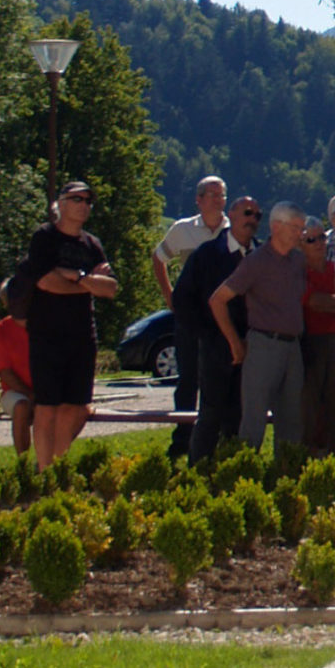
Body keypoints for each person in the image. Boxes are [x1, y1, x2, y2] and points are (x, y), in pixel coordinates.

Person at [26, 181, 118, 468]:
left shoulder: (92, 244)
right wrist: (90, 283)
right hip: (47, 335)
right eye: (77, 198)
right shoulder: (44, 238)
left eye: (88, 201)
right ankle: (44, 473)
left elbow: (111, 288)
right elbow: (46, 282)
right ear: (61, 203)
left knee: (76, 407)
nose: (84, 205)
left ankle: (58, 467)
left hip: (82, 336)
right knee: (46, 408)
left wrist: (76, 277)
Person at [209, 201, 308, 451]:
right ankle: (244, 474)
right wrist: (235, 343)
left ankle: (285, 477)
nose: (300, 234)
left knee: (292, 419)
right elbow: (218, 300)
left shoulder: (298, 261)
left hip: (293, 345)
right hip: (264, 344)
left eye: (302, 228)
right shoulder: (256, 261)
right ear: (276, 227)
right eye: (295, 228)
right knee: (254, 418)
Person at [174, 196, 260, 463]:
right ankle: (199, 470)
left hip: (254, 347)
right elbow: (182, 300)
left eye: (258, 215)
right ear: (231, 214)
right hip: (215, 347)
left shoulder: (262, 255)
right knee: (210, 414)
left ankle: (232, 470)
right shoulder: (207, 254)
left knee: (242, 414)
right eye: (247, 213)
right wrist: (207, 335)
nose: (252, 220)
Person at [153, 175, 229, 459]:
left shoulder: (232, 230)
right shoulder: (182, 230)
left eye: (221, 194)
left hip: (224, 317)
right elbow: (158, 258)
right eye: (211, 194)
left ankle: (218, 439)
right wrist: (169, 296)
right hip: (191, 316)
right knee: (188, 379)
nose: (218, 200)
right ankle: (182, 440)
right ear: (198, 200)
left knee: (222, 377)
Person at [299, 217, 335, 454]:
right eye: (311, 239)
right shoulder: (298, 272)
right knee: (310, 407)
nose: (319, 243)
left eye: (322, 238)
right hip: (310, 344)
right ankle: (309, 457)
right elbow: (316, 302)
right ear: (300, 244)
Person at [0, 279, 33, 454]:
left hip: (45, 389)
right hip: (15, 393)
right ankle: (23, 464)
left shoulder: (42, 326)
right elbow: (5, 373)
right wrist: (31, 395)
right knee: (21, 406)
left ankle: (52, 463)